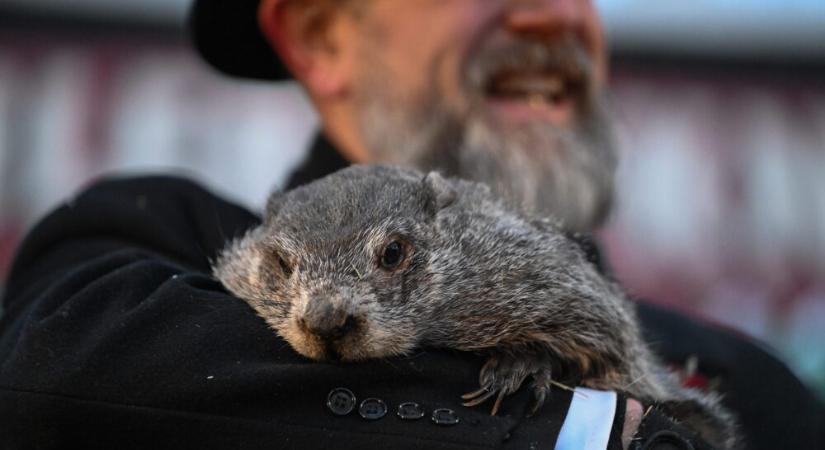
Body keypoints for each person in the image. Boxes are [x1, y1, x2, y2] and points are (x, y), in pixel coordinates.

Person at [0, 0, 821, 449]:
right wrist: (584, 431)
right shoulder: (147, 246)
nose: (554, 15)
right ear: (322, 34)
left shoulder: (748, 384)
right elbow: (60, 376)